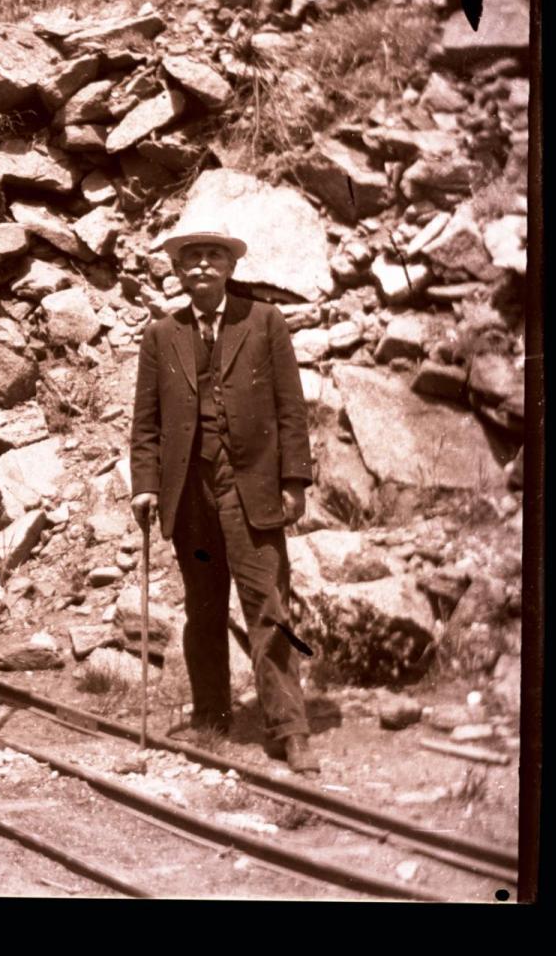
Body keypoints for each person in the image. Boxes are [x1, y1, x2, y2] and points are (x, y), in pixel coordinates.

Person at [129, 217, 320, 774]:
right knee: (202, 608)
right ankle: (212, 715)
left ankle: (289, 727)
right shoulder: (161, 335)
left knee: (268, 605)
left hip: (251, 486)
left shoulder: (264, 322)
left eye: (214, 255)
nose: (203, 266)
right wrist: (144, 486)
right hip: (190, 494)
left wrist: (294, 481)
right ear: (179, 270)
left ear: (232, 266)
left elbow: (291, 409)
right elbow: (146, 424)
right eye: (192, 258)